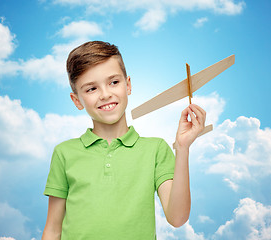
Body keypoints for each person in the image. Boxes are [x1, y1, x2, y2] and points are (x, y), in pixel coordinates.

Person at [42, 41, 206, 240]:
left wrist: (182, 148)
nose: (105, 94)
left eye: (113, 82)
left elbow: (177, 218)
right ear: (77, 100)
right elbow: (53, 229)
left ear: (128, 85)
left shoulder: (155, 149)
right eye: (91, 89)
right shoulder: (64, 153)